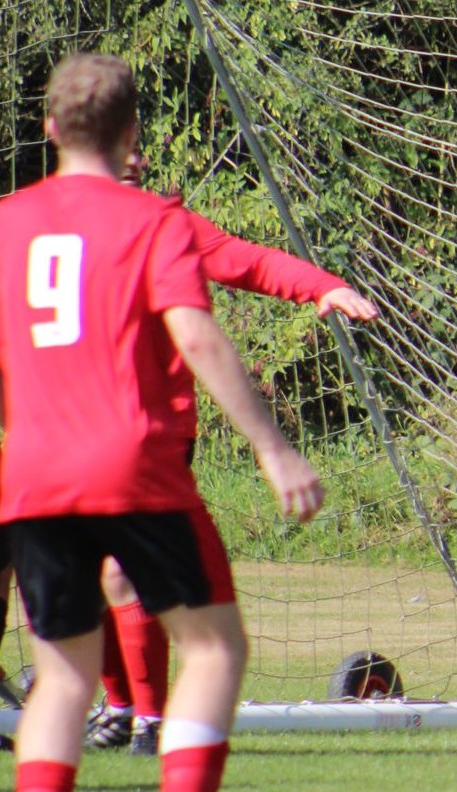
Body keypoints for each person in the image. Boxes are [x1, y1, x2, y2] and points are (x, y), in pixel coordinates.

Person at [0, 52, 324, 792]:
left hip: (32, 475)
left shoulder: (6, 224)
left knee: (60, 677)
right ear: (132, 130)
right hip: (134, 465)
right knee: (212, 650)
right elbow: (198, 334)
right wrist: (274, 449)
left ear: (50, 128)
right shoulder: (154, 219)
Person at [80, 151, 379, 756]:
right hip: (70, 436)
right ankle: (118, 707)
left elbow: (246, 260)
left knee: (122, 571)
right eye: (122, 141)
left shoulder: (164, 224)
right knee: (88, 578)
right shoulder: (39, 227)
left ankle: (152, 720)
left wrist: (321, 285)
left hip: (154, 435)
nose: (136, 156)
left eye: (140, 142)